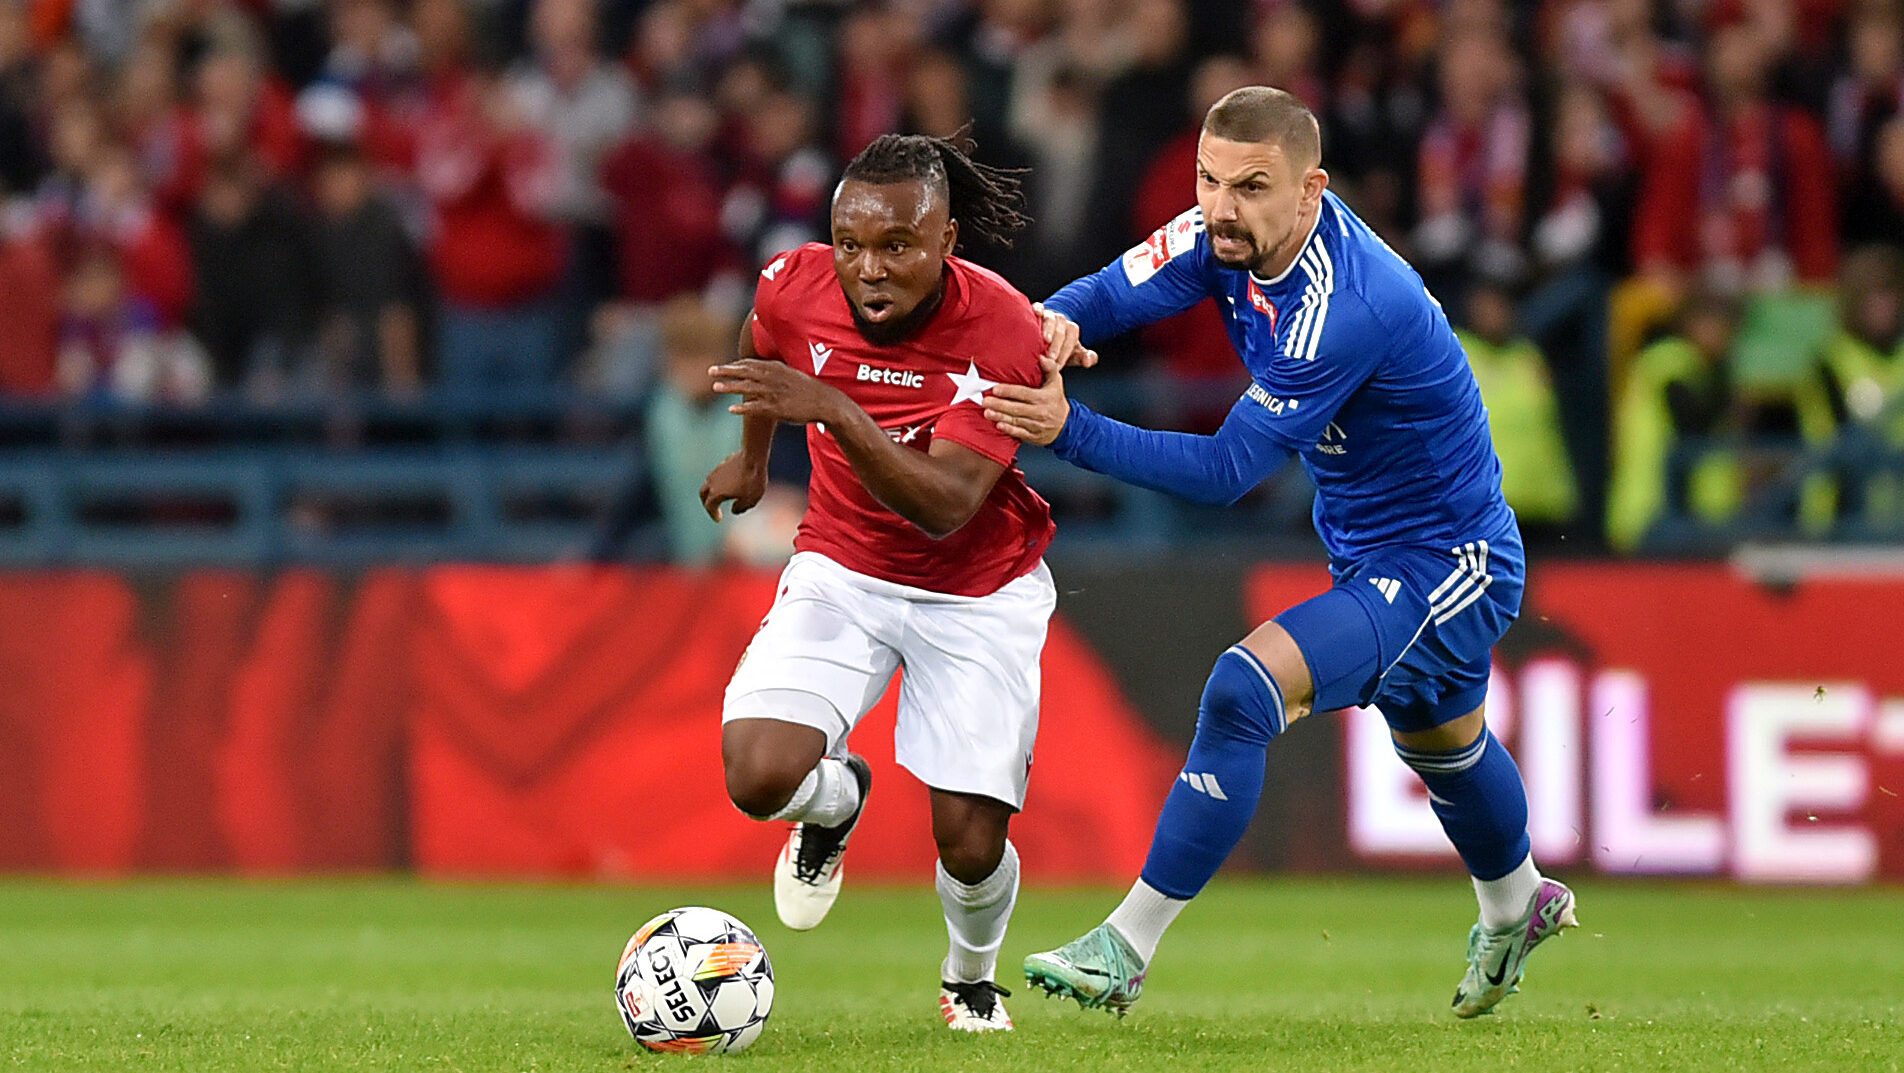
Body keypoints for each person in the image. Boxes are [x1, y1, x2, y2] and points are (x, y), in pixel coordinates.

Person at [983, 86, 1576, 1020]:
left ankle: (1125, 944)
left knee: (1244, 687)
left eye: (1251, 186)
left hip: (1447, 559)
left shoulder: (1346, 304)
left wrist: (1069, 429)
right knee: (1443, 739)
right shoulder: (1222, 234)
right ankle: (1518, 902)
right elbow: (1106, 294)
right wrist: (1053, 321)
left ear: (1310, 191)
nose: (1222, 207)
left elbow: (1228, 471)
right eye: (1208, 180)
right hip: (1368, 547)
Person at [702, 132, 1057, 1033]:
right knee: (758, 773)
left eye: (897, 245)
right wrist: (753, 459)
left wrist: (834, 408)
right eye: (850, 243)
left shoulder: (1004, 327)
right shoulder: (794, 283)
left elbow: (945, 505)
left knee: (969, 844)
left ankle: (969, 979)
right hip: (844, 567)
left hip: (976, 589)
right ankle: (837, 801)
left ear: (946, 240)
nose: (868, 268)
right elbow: (763, 341)